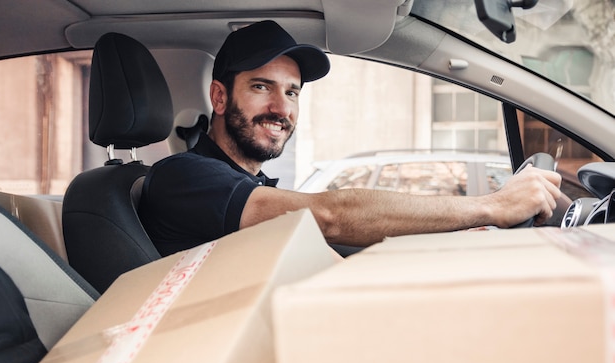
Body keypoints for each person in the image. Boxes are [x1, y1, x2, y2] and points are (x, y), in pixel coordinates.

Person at [138, 20, 562, 257]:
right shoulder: (184, 177)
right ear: (219, 96)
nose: (282, 109)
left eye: (292, 92)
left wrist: (449, 235)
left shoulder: (248, 186)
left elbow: (332, 240)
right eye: (261, 87)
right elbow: (330, 217)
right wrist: (493, 205)